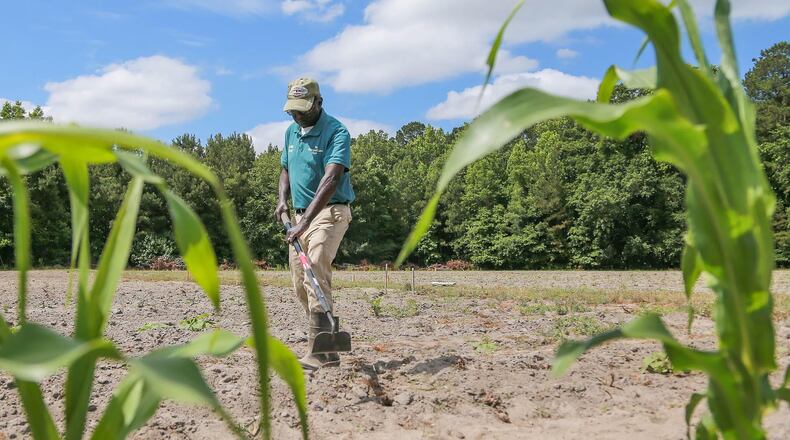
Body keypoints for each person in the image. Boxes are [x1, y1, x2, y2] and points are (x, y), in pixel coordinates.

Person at [274, 77, 355, 371]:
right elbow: (285, 169)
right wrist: (282, 200)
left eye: (303, 109)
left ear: (319, 103)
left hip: (329, 212)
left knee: (317, 264)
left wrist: (305, 221)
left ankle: (318, 352)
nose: (297, 115)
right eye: (292, 110)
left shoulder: (337, 132)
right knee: (300, 284)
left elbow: (331, 179)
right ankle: (329, 345)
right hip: (297, 216)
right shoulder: (291, 133)